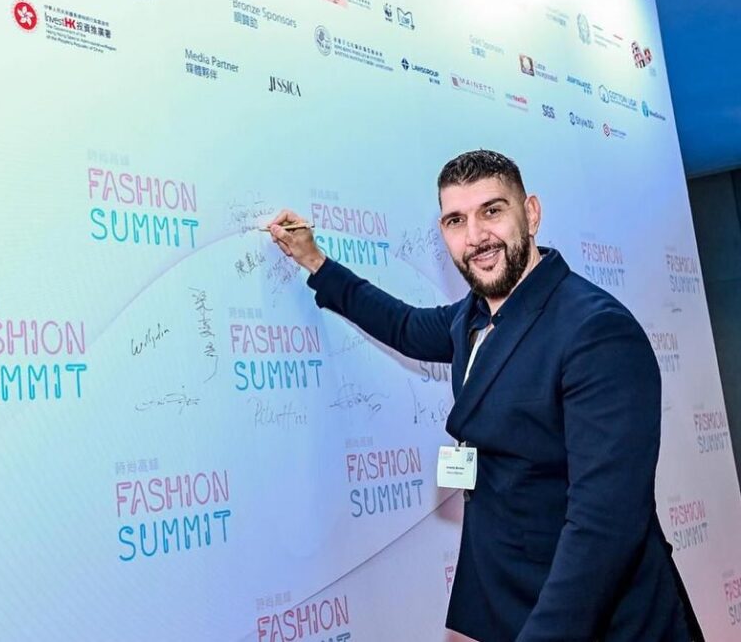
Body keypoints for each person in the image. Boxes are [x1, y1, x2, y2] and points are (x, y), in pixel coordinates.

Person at [267, 150, 702, 642]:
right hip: (511, 592)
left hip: (598, 615)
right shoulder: (471, 317)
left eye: (492, 211)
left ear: (531, 214)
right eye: (456, 220)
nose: (475, 237)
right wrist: (315, 261)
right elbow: (404, 325)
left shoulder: (596, 331)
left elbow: (605, 525)